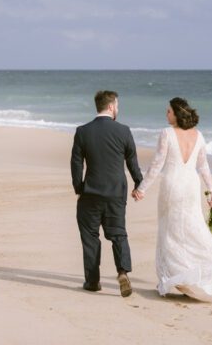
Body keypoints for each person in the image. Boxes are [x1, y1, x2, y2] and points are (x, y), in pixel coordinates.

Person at [133, 96, 212, 300]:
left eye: (168, 111)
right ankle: (184, 274)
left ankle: (174, 276)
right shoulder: (198, 135)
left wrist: (142, 188)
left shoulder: (166, 133)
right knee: (191, 227)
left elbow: (157, 164)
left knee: (170, 230)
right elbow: (203, 166)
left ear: (176, 114)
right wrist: (211, 191)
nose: (166, 114)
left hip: (172, 185)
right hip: (191, 186)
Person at [70, 90, 143, 297]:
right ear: (111, 106)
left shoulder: (83, 131)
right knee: (118, 233)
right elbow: (132, 162)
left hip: (90, 193)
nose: (118, 109)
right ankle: (122, 272)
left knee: (90, 237)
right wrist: (139, 184)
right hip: (116, 194)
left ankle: (92, 281)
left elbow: (76, 163)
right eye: (117, 105)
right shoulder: (124, 131)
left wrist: (79, 187)